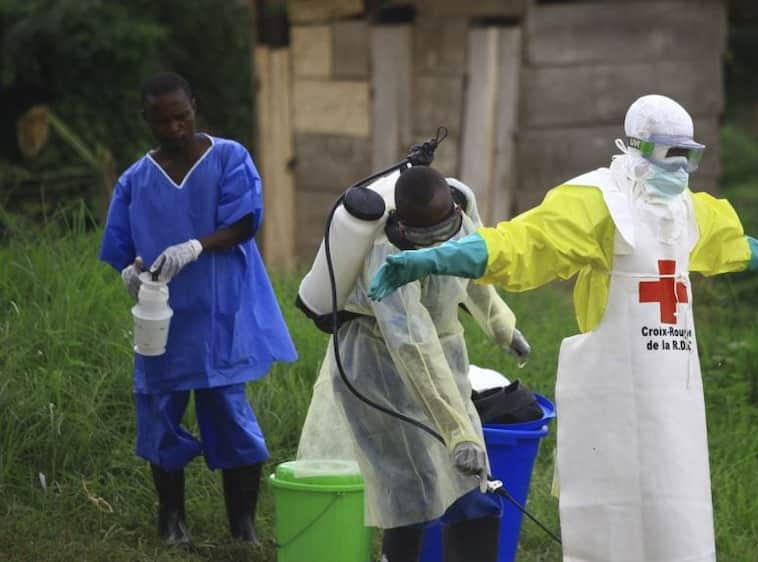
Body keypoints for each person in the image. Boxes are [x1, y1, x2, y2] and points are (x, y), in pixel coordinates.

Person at [368, 95, 758, 561]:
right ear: (636, 147)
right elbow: (517, 245)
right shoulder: (597, 203)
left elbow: (731, 244)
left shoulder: (687, 211)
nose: (681, 168)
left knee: (678, 505)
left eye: (690, 155)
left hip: (674, 403)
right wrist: (431, 258)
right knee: (613, 516)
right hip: (611, 399)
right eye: (670, 154)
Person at [99, 72, 297, 546]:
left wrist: (195, 246)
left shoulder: (229, 158)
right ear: (145, 119)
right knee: (159, 414)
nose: (173, 128)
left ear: (195, 107)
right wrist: (131, 269)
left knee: (229, 413)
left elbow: (245, 221)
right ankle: (172, 523)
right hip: (161, 319)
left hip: (218, 311)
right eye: (161, 121)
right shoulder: (135, 180)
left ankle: (243, 528)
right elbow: (122, 244)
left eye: (181, 116)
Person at [295, 166, 530, 562]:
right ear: (402, 224)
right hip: (377, 368)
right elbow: (412, 344)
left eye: (445, 230)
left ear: (455, 209)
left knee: (474, 484)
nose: (437, 244)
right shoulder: (386, 256)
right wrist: (458, 432)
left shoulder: (459, 215)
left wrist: (502, 327)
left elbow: (472, 270)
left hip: (444, 356)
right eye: (425, 237)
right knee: (411, 489)